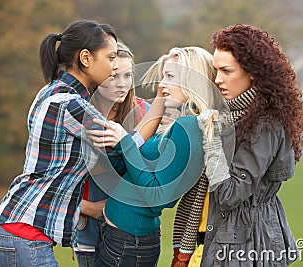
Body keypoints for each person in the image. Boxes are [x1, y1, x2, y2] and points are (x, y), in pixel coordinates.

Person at [0, 20, 163, 267]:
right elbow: (124, 146)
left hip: (18, 228)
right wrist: (160, 105)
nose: (114, 67)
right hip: (24, 233)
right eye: (111, 57)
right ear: (85, 58)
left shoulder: (51, 92)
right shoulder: (69, 105)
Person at [87, 46, 225, 266]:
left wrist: (124, 143)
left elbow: (157, 197)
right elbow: (134, 169)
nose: (161, 84)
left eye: (170, 76)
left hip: (128, 243)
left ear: (191, 81)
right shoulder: (179, 122)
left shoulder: (187, 127)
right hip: (122, 237)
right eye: (162, 76)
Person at [197, 24, 303, 266]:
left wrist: (211, 140)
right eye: (216, 70)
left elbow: (228, 194)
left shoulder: (265, 123)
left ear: (254, 72)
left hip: (248, 247)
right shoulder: (236, 114)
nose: (217, 80)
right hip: (234, 239)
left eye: (227, 71)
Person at [74, 40, 150, 267]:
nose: (122, 84)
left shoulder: (144, 113)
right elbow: (60, 175)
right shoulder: (80, 113)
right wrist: (88, 208)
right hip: (90, 229)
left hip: (132, 229)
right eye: (114, 76)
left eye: (128, 76)